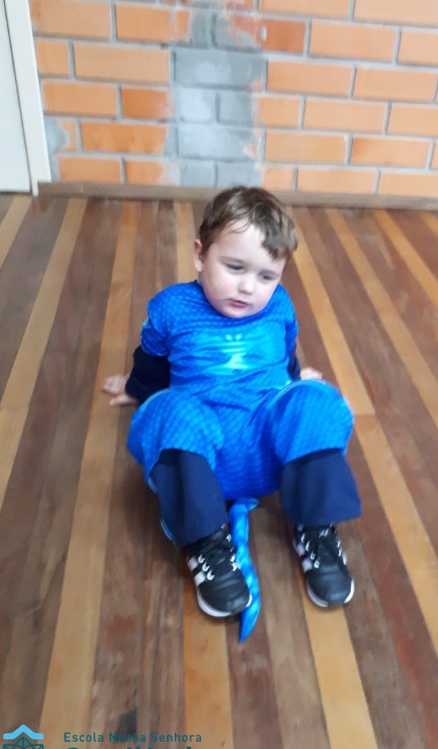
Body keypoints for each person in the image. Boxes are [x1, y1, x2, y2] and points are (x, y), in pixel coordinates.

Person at [103, 186, 361, 619]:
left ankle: (315, 527)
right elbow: (150, 363)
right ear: (200, 254)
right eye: (234, 267)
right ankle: (206, 541)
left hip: (268, 453)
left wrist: (297, 383)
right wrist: (136, 387)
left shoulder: (278, 305)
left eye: (266, 276)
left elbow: (285, 354)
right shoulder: (171, 308)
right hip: (204, 455)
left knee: (317, 402)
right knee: (167, 410)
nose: (248, 287)